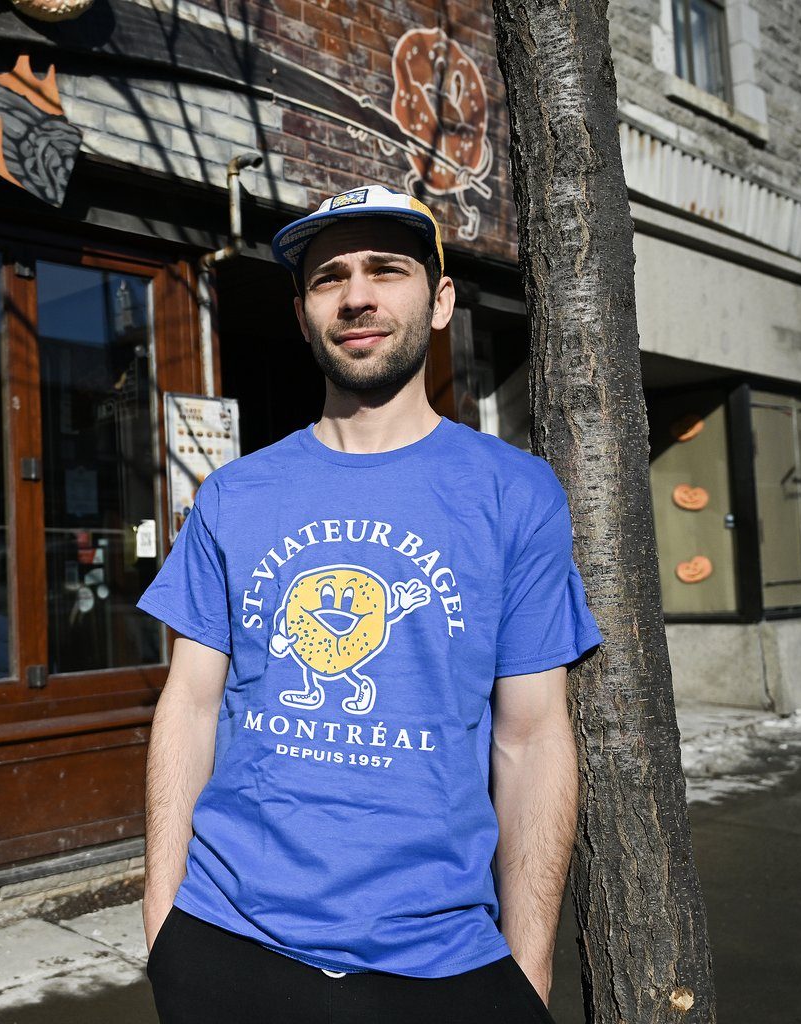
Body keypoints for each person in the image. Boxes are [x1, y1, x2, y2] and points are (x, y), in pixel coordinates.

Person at [136, 184, 603, 1024]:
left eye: (386, 269)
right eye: (330, 277)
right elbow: (191, 706)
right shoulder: (235, 495)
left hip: (443, 961)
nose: (357, 296)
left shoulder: (514, 494)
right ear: (302, 313)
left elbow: (531, 738)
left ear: (439, 301)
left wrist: (528, 970)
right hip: (225, 942)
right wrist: (163, 921)